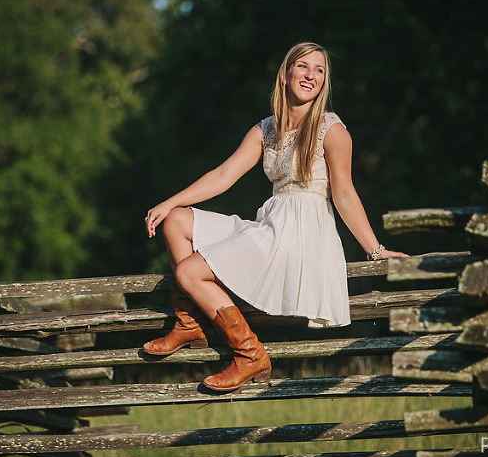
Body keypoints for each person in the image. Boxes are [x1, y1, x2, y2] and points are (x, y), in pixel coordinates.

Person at [143, 42, 407, 392]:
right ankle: (191, 321)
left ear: (324, 81)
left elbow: (343, 193)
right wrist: (168, 203)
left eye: (319, 70)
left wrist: (375, 250)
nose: (311, 75)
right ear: (285, 74)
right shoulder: (266, 129)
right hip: (271, 225)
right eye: (303, 66)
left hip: (300, 235)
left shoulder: (332, 130)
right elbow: (223, 176)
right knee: (176, 220)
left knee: (188, 271)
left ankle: (250, 353)